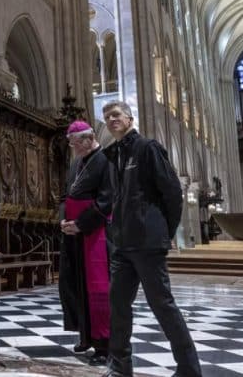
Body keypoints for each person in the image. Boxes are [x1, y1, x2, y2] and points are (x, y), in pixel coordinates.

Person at [101, 101, 201, 377]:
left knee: (162, 305)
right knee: (118, 304)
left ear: (130, 117)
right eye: (107, 117)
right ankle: (120, 366)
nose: (111, 120)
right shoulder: (113, 155)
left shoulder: (147, 148)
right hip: (122, 244)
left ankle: (189, 369)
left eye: (116, 115)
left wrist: (164, 233)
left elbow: (171, 192)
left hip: (147, 242)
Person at [58, 120, 111, 365]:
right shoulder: (77, 162)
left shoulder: (106, 161)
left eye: (75, 143)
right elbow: (66, 195)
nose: (73, 148)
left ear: (89, 139)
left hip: (95, 233)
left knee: (97, 289)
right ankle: (86, 335)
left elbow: (107, 200)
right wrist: (63, 221)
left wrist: (80, 223)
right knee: (75, 285)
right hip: (74, 234)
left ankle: (104, 345)